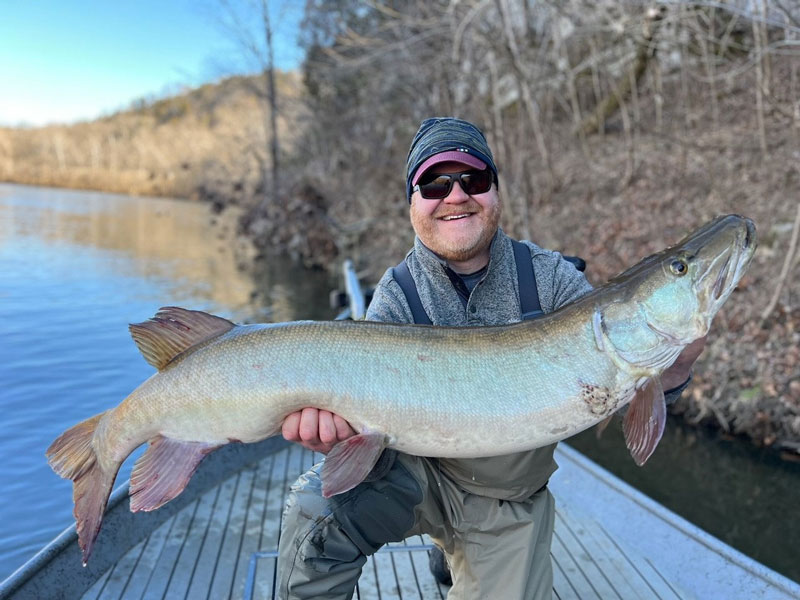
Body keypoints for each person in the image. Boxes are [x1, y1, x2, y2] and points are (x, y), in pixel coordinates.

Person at [277, 117, 703, 599]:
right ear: (413, 203)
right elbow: (368, 426)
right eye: (434, 184)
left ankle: (460, 554)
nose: (455, 196)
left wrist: (677, 366)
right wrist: (338, 434)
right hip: (422, 474)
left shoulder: (553, 279)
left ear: (495, 193)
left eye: (473, 180)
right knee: (314, 514)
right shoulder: (396, 294)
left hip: (508, 499)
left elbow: (625, 381)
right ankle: (441, 545)